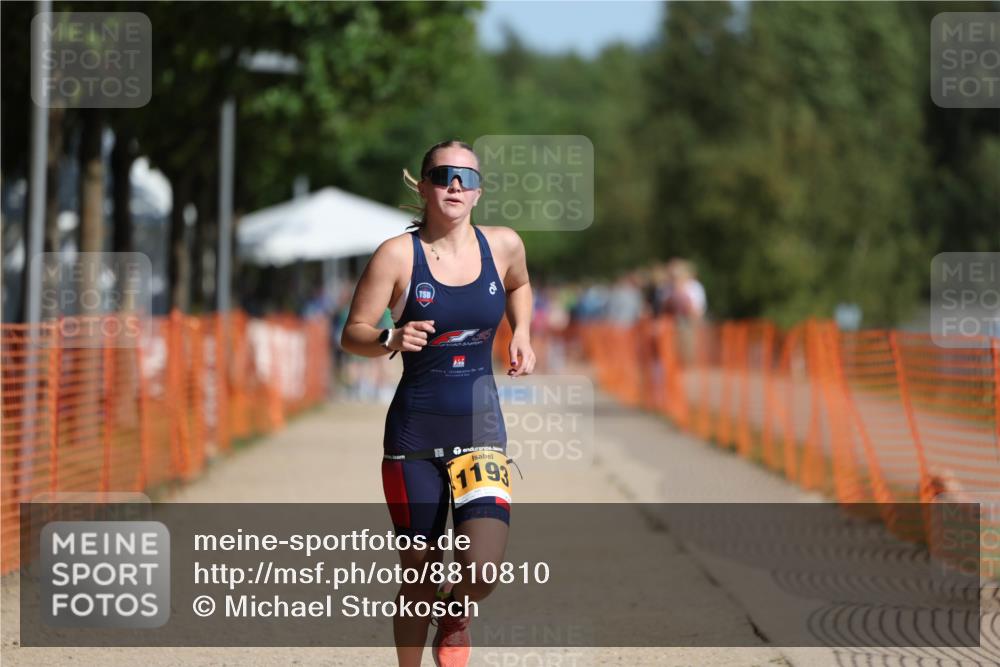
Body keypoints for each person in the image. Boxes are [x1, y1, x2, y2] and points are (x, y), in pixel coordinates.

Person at [341, 140, 535, 667]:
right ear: (424, 185)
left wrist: (522, 333)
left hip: (481, 430)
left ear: (478, 193)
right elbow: (352, 332)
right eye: (444, 175)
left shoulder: (504, 245)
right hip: (414, 439)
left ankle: (457, 612)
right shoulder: (397, 254)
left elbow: (519, 285)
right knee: (419, 576)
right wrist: (388, 339)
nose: (455, 185)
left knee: (482, 570)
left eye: (466, 178)